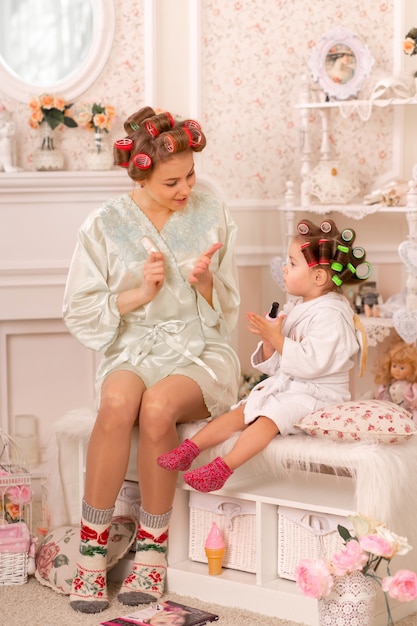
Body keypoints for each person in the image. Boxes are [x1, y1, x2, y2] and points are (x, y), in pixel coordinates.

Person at [62, 106, 240, 613]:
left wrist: (205, 282)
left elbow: (227, 308)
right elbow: (79, 307)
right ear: (139, 174)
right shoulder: (104, 224)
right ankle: (91, 555)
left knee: (158, 408)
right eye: (171, 182)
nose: (185, 189)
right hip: (134, 344)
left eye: (190, 176)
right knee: (117, 400)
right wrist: (140, 293)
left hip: (201, 347)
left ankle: (151, 552)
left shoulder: (212, 214)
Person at [157, 218, 369, 493]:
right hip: (293, 386)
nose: (284, 268)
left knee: (268, 418)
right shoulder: (298, 307)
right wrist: (270, 342)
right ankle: (189, 448)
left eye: (293, 263)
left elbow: (313, 362)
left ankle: (222, 468)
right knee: (244, 410)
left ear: (318, 277)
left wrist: (277, 338)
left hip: (318, 396)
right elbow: (279, 366)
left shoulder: (333, 315)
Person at [374, 339, 417, 422]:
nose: (397, 370)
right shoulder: (388, 385)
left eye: (402, 368)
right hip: (392, 414)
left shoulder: (411, 387)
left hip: (408, 414)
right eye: (394, 366)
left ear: (413, 369)